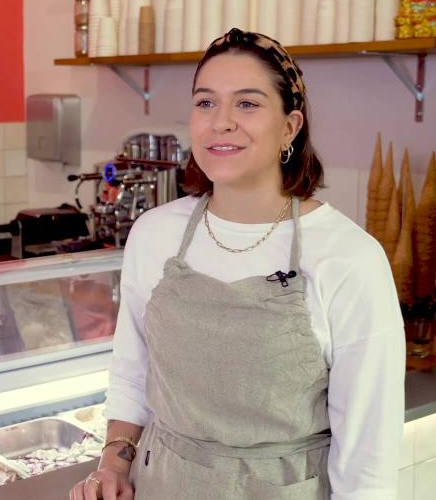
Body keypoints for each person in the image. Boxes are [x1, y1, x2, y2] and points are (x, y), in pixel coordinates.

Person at [69, 29, 405, 500]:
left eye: (247, 104)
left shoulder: (349, 257)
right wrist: (114, 462)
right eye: (206, 103)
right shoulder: (154, 233)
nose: (221, 122)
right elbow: (133, 366)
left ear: (290, 127)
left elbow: (369, 447)